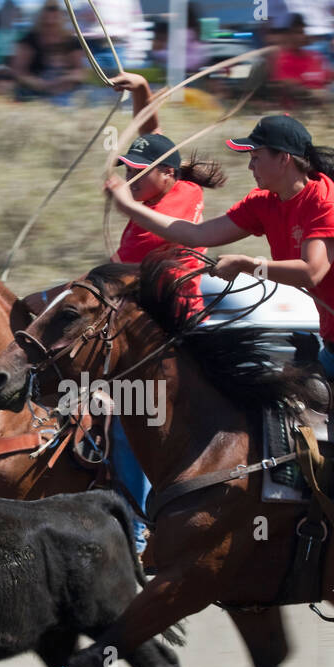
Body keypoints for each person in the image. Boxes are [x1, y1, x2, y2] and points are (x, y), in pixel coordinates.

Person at [104, 113, 334, 610]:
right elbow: (194, 231)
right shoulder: (266, 204)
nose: (249, 163)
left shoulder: (324, 202)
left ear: (282, 159)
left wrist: (254, 264)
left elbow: (313, 271)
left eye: (255, 154)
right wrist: (127, 205)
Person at [102, 70, 227, 560]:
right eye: (129, 168)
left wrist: (123, 201)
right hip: (145, 328)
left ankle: (138, 526)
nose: (133, 174)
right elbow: (152, 139)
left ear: (169, 175)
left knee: (135, 414)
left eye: (140, 169)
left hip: (176, 328)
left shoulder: (179, 200)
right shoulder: (165, 185)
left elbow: (154, 223)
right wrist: (140, 92)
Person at [10, 0, 86, 104]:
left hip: (66, 92)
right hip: (34, 92)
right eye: (47, 23)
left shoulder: (71, 41)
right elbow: (18, 71)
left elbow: (80, 71)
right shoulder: (29, 40)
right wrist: (39, 84)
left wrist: (64, 80)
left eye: (54, 22)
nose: (50, 24)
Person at [271, 14, 333, 106]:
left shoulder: (316, 56)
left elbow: (330, 80)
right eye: (298, 32)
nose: (303, 36)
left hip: (323, 107)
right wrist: (313, 93)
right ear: (289, 35)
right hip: (299, 109)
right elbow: (290, 88)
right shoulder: (282, 59)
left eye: (303, 32)